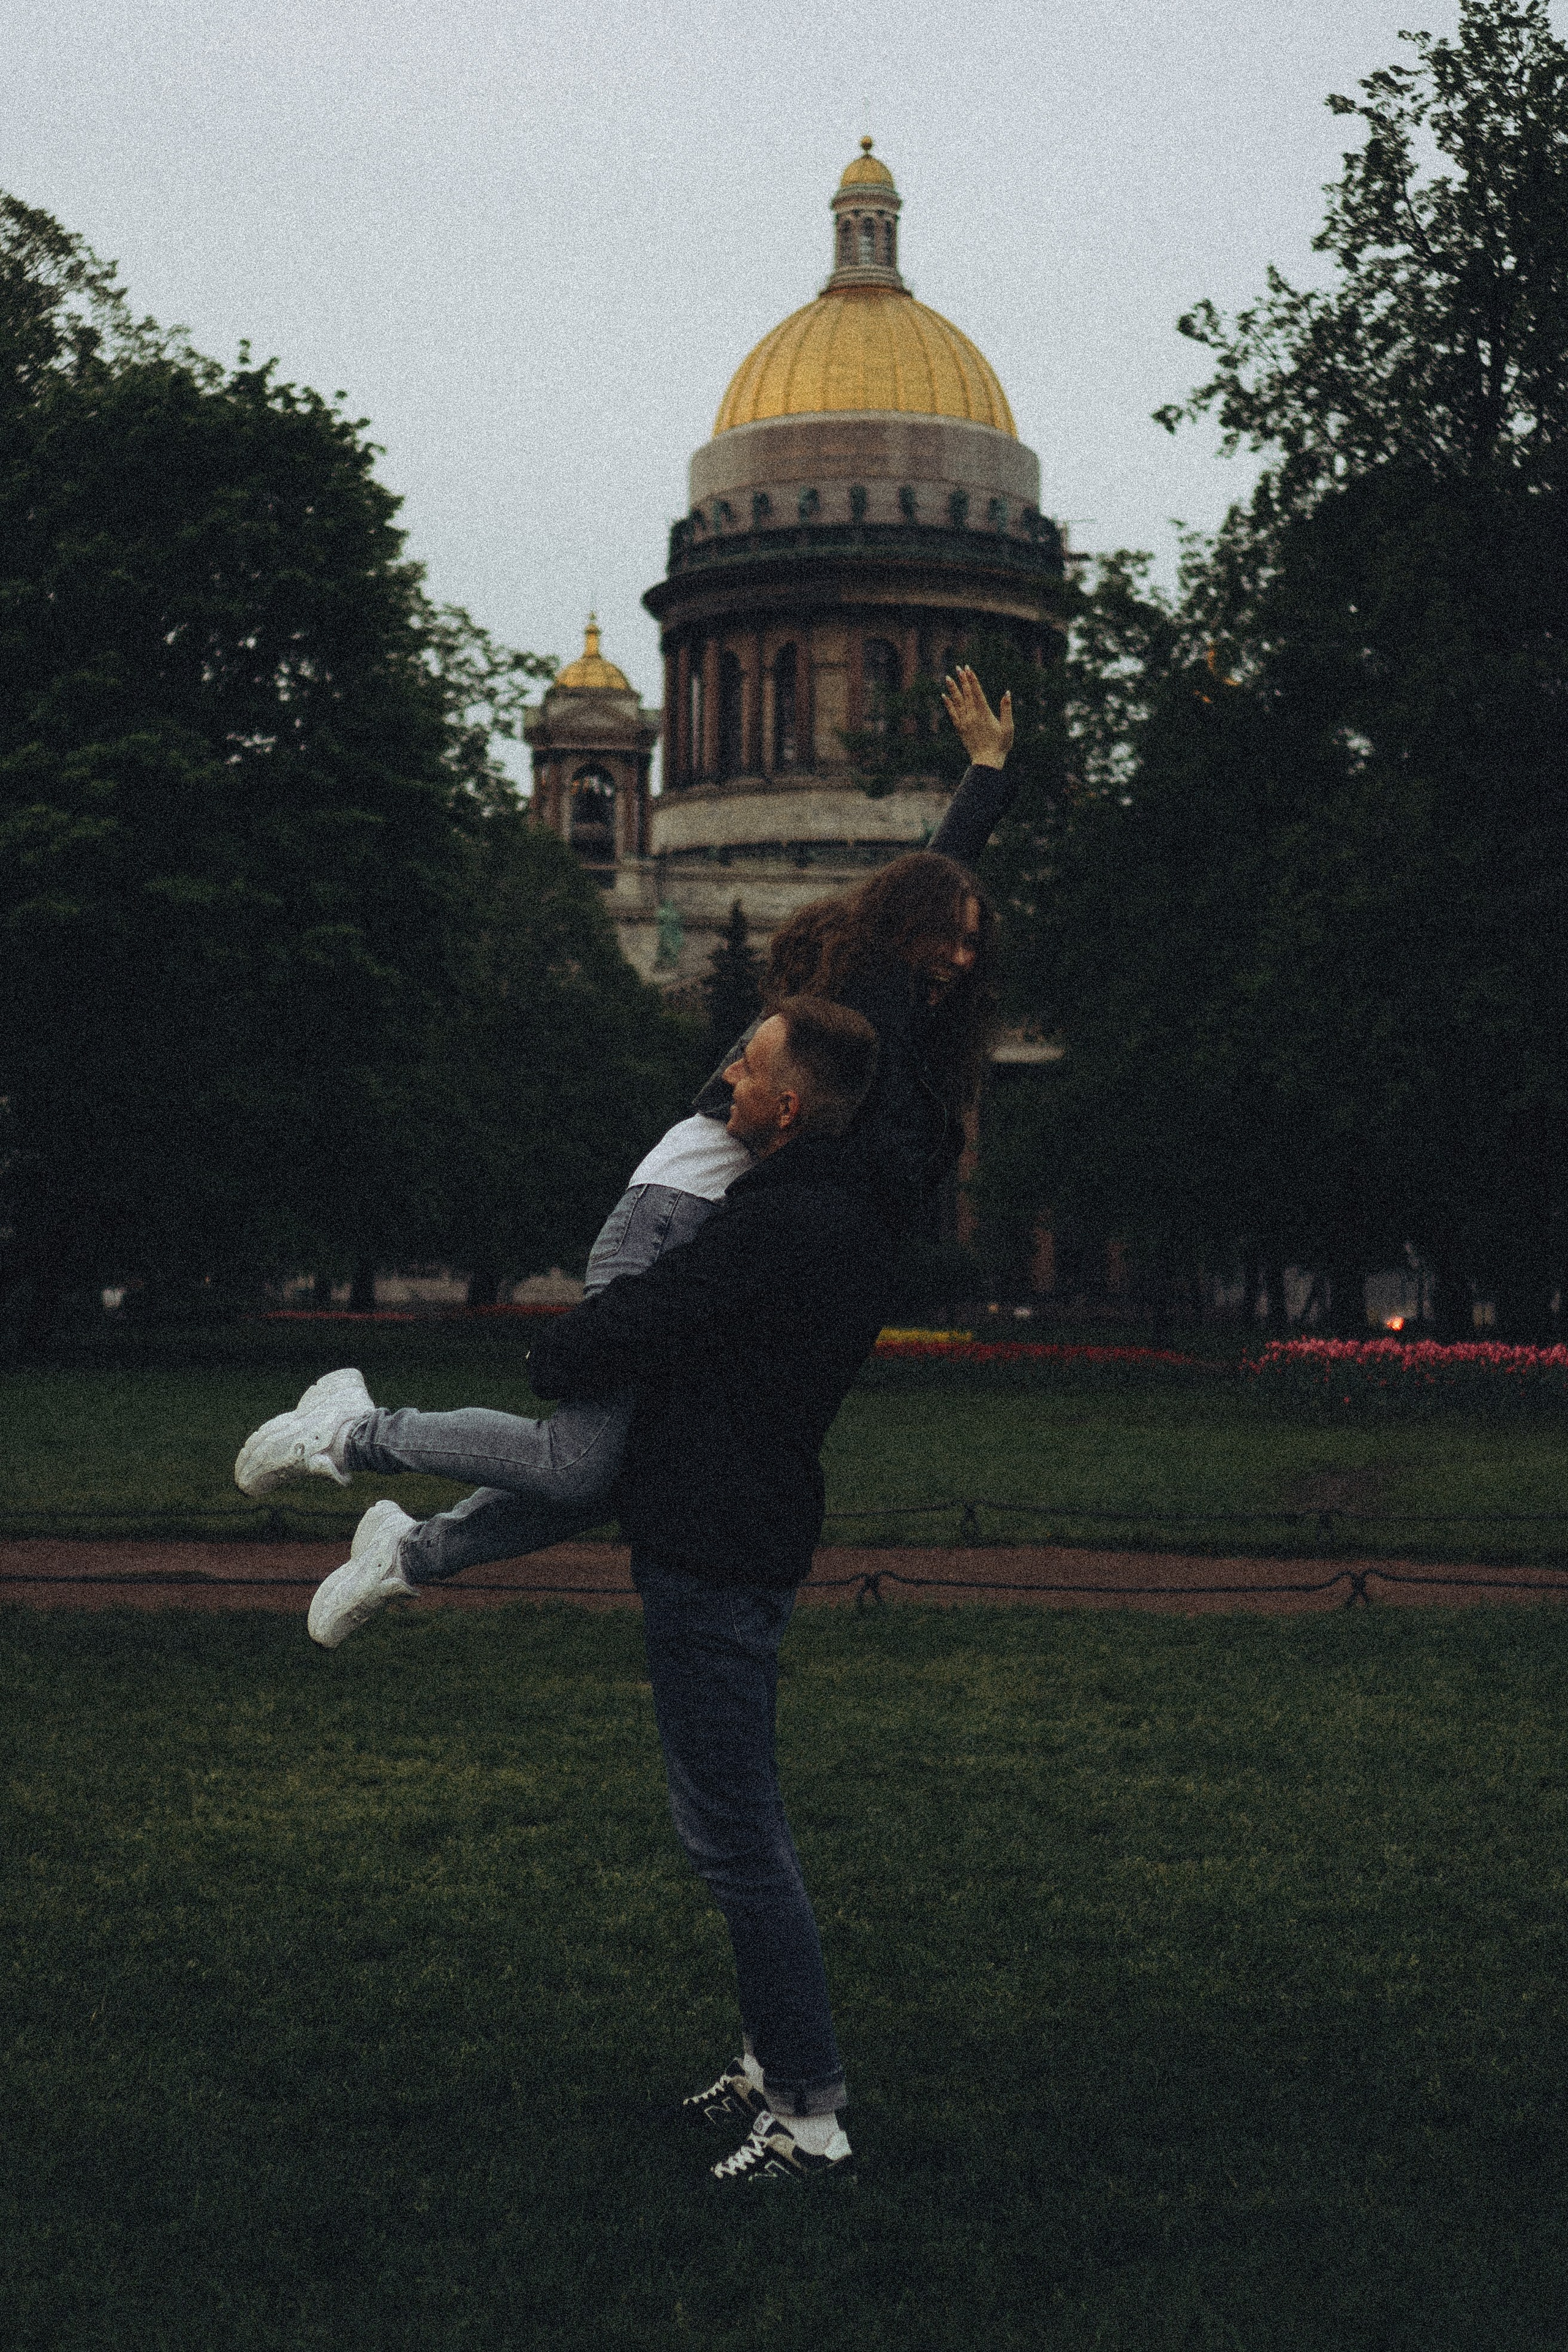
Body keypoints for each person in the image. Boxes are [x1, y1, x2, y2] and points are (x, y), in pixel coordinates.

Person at [233, 669, 1016, 1597]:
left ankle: (403, 1555)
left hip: (728, 1231)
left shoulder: (885, 1027)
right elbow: (930, 881)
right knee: (577, 1464)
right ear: (903, 930)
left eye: (975, 944)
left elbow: (930, 901)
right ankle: (352, 1431)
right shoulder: (857, 1001)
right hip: (676, 1214)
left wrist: (987, 776)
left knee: (618, 1469)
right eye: (948, 938)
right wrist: (984, 784)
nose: (962, 961)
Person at [343, 997, 892, 2185]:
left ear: (787, 1110)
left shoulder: (773, 1220)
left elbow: (652, 1312)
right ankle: (770, 2062)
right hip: (741, 1531)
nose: (722, 1087)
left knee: (738, 1842)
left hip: (713, 1550)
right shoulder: (835, 1201)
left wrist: (557, 1358)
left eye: (742, 1072)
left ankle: (807, 2114)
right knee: (738, 1833)